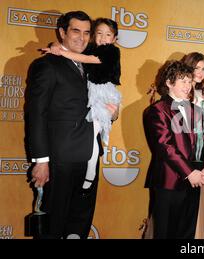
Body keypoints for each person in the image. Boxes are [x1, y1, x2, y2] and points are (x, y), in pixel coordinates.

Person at [26, 11, 118, 239]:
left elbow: (104, 97)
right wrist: (41, 160)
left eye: (87, 32)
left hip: (90, 157)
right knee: (54, 224)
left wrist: (113, 114)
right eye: (76, 31)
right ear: (62, 32)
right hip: (60, 159)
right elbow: (36, 114)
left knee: (80, 223)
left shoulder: (90, 64)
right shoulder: (46, 65)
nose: (82, 38)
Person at [42, 18, 121, 191]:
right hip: (69, 144)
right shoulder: (91, 47)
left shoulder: (111, 52)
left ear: (114, 39)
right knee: (90, 134)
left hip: (104, 93)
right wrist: (57, 46)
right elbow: (74, 50)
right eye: (99, 33)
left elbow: (87, 59)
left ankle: (91, 171)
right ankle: (90, 171)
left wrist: (61, 52)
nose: (103, 38)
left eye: (108, 35)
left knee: (92, 134)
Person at [142, 60, 204, 239]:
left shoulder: (197, 110)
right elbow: (165, 147)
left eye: (189, 81)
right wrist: (189, 173)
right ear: (168, 82)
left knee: (187, 233)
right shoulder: (157, 110)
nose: (188, 86)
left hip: (195, 181)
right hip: (169, 181)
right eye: (183, 81)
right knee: (165, 233)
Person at [181, 52, 204, 239]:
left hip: (200, 155)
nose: (200, 73)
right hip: (182, 157)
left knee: (196, 207)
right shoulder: (178, 93)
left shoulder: (203, 94)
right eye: (196, 68)